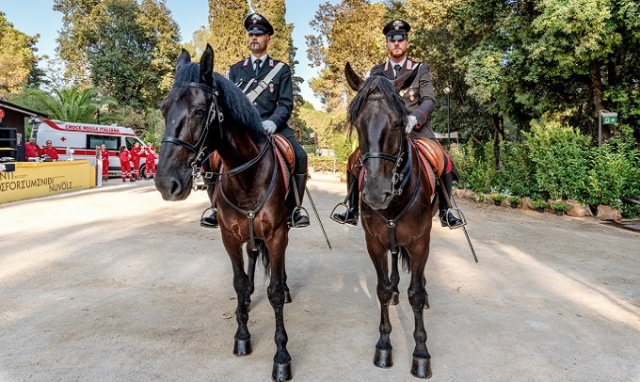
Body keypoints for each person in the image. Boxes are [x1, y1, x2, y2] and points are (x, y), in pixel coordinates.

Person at [332, 19, 463, 228]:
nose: (396, 43)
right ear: (387, 43)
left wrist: (415, 118)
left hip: (416, 130)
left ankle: (447, 211)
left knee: (444, 160)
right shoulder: (377, 71)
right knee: (353, 161)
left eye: (400, 39)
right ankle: (352, 209)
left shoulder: (420, 69)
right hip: (385, 133)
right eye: (392, 39)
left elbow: (429, 100)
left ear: (407, 43)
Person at [199, 12, 310, 229]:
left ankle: (295, 209)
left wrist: (274, 122)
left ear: (268, 38)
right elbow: (228, 104)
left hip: (273, 127)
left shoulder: (281, 70)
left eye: (259, 34)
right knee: (208, 159)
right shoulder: (235, 70)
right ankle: (214, 207)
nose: (254, 38)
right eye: (251, 34)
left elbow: (286, 103)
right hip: (242, 130)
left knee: (300, 155)